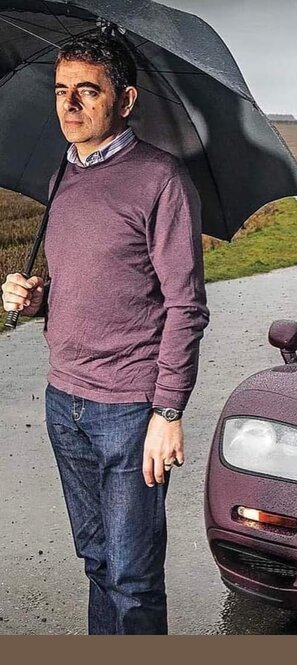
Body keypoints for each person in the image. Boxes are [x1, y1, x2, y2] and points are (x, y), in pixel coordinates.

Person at [0, 34, 209, 634]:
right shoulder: (61, 177)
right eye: (62, 92)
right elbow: (88, 285)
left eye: (87, 91)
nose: (70, 105)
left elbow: (185, 306)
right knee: (96, 562)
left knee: (133, 577)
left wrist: (167, 412)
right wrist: (36, 299)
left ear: (125, 100)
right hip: (62, 402)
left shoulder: (160, 180)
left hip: (129, 410)